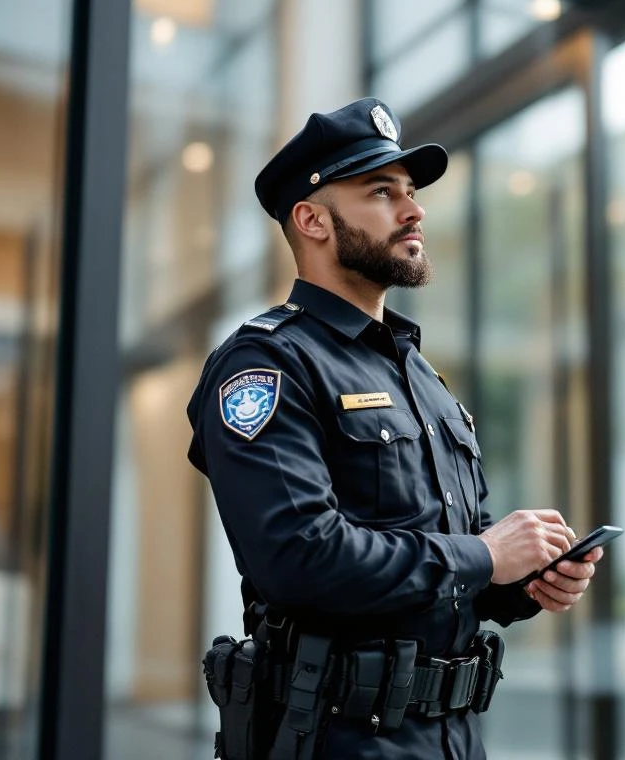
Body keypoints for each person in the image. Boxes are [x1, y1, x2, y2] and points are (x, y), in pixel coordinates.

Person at [187, 97, 603, 760]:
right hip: (337, 742)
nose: (415, 211)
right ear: (312, 219)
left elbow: (454, 555)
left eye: (410, 192)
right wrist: (485, 556)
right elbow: (301, 558)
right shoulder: (267, 362)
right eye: (383, 192)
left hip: (453, 739)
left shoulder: (419, 374)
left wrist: (520, 582)